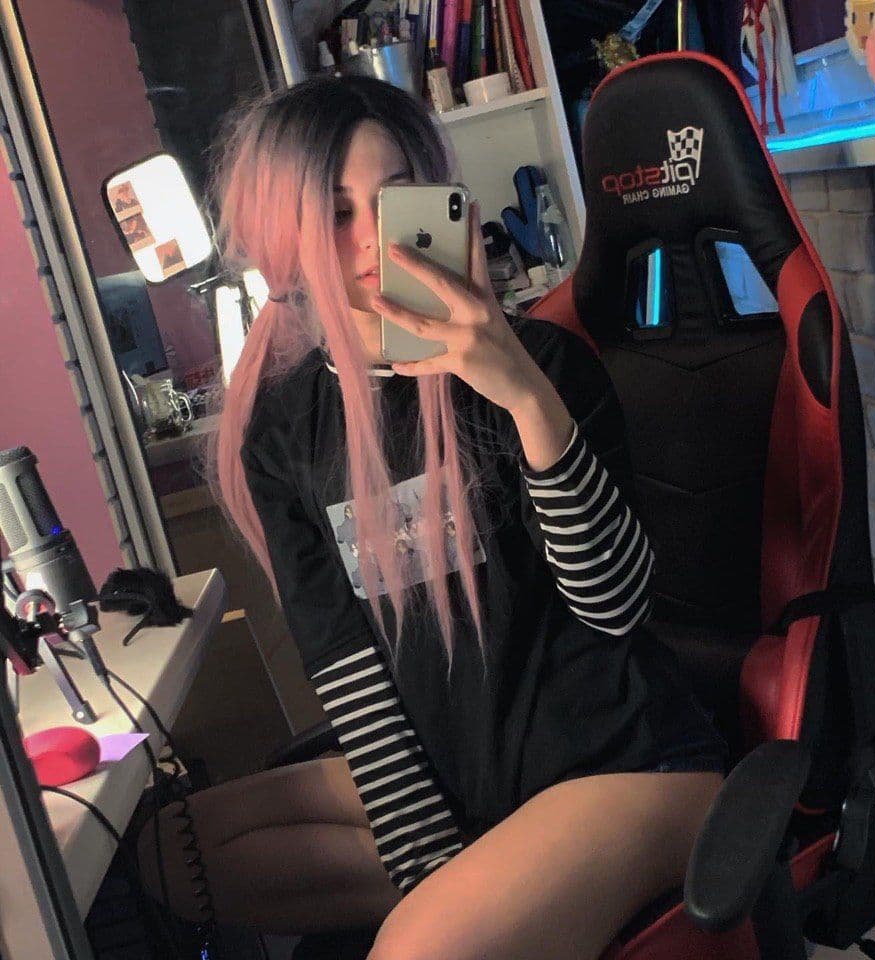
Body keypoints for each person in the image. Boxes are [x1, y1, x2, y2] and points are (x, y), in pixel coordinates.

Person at [136, 74, 727, 960]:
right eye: (335, 212)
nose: (371, 239)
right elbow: (344, 664)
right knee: (168, 854)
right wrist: (429, 859)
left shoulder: (543, 362)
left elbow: (616, 609)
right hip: (465, 782)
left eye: (394, 198)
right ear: (283, 235)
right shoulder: (283, 430)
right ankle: (480, 875)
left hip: (623, 764)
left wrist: (523, 397)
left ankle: (483, 893)